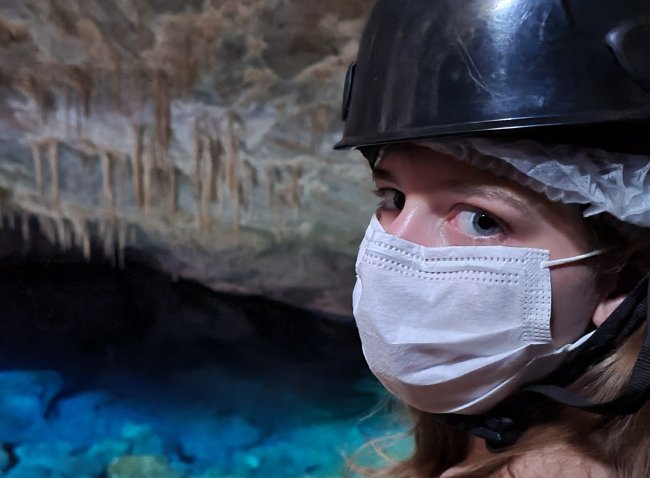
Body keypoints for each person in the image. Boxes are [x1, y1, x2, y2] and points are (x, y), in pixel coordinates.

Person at [334, 1, 650, 476]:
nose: (395, 246)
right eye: (394, 197)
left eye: (481, 220)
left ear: (624, 276)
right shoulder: (473, 444)